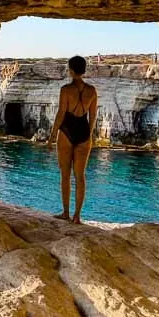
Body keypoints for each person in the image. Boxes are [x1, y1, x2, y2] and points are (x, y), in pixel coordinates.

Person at [49, 55, 98, 223]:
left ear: (71, 70)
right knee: (80, 176)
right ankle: (77, 216)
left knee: (65, 174)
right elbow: (92, 116)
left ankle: (65, 213)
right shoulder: (92, 91)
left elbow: (61, 114)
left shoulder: (65, 90)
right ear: (83, 70)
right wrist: (89, 135)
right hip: (84, 132)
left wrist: (52, 135)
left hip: (67, 131)